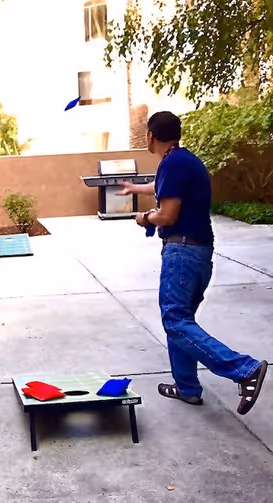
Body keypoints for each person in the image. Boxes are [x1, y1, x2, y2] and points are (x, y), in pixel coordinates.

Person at [117, 111, 268, 415]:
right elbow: (161, 186)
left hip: (182, 252)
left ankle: (243, 369)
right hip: (198, 253)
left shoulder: (172, 163)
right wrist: (136, 189)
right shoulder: (182, 161)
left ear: (150, 136)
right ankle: (187, 387)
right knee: (180, 320)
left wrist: (144, 218)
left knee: (175, 320)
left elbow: (168, 214)